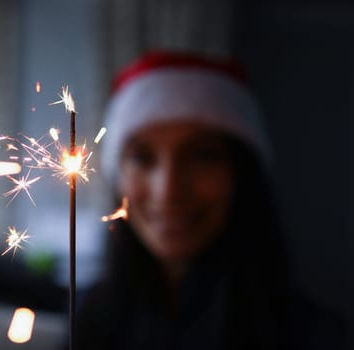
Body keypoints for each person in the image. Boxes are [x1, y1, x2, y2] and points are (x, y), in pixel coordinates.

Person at [75, 50, 344, 349]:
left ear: (241, 172)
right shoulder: (89, 313)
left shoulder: (313, 335)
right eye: (142, 157)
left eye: (202, 156)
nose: (168, 191)